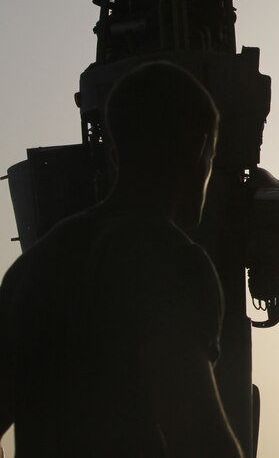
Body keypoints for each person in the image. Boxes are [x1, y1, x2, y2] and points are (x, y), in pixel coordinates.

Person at [0, 62, 242, 458]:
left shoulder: (29, 269)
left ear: (115, 156)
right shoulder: (174, 261)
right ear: (200, 150)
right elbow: (200, 440)